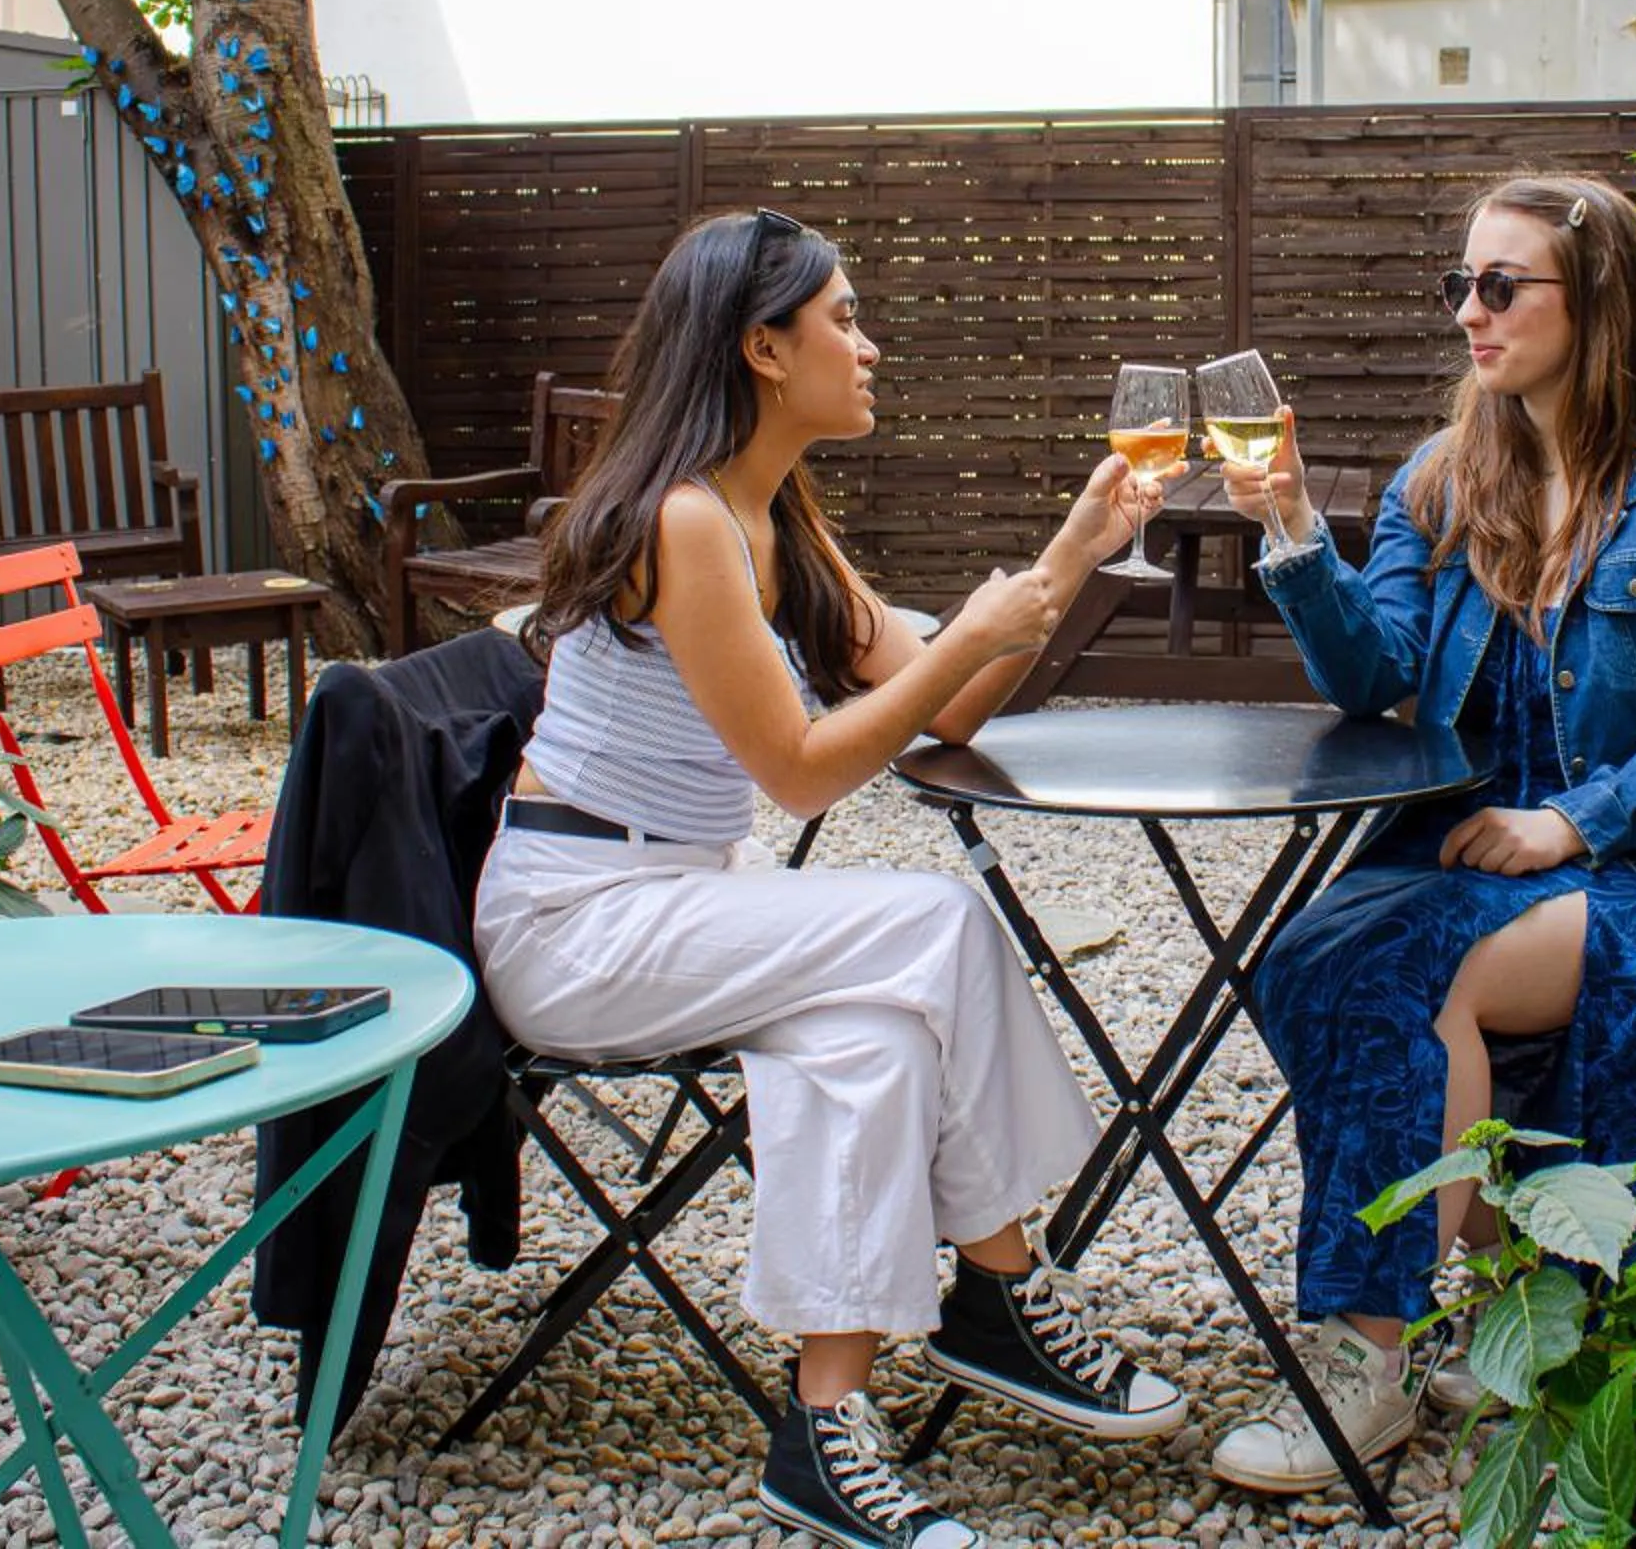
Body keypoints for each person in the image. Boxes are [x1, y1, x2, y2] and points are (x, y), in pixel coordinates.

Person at [471, 208, 1187, 1549]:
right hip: (579, 923)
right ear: (760, 346)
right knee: (931, 919)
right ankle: (1006, 1285)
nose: (869, 344)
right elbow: (801, 774)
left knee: (862, 1037)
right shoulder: (683, 521)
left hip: (683, 899)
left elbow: (952, 715)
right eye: (843, 318)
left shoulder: (772, 511)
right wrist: (962, 635)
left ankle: (825, 1432)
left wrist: (1067, 563)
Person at [1205, 174, 1636, 1493]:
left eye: (1501, 286)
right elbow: (1376, 677)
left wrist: (1569, 822)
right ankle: (1492, 1298)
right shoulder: (1447, 477)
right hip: (1484, 853)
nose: (1471, 315)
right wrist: (1295, 528)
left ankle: (1373, 1364)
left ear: (1593, 302)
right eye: (1459, 288)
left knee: (1393, 974)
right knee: (1306, 958)